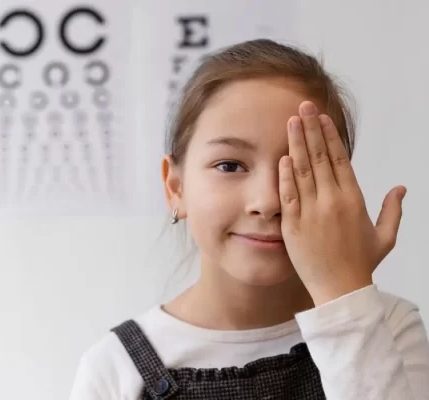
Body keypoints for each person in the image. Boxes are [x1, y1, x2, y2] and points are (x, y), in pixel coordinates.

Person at [68, 38, 429, 399]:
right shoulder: (114, 369)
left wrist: (345, 294)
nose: (268, 201)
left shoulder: (387, 327)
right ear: (175, 186)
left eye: (298, 168)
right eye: (229, 165)